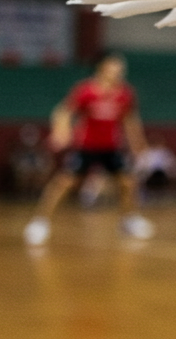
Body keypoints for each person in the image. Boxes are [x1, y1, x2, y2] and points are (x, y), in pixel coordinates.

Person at [23, 52, 153, 246]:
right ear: (102, 68)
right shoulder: (86, 91)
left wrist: (138, 143)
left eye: (120, 69)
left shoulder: (125, 93)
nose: (118, 72)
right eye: (114, 68)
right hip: (86, 148)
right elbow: (63, 112)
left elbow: (130, 120)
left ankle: (129, 221)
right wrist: (62, 131)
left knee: (127, 183)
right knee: (64, 183)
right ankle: (40, 222)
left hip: (111, 148)